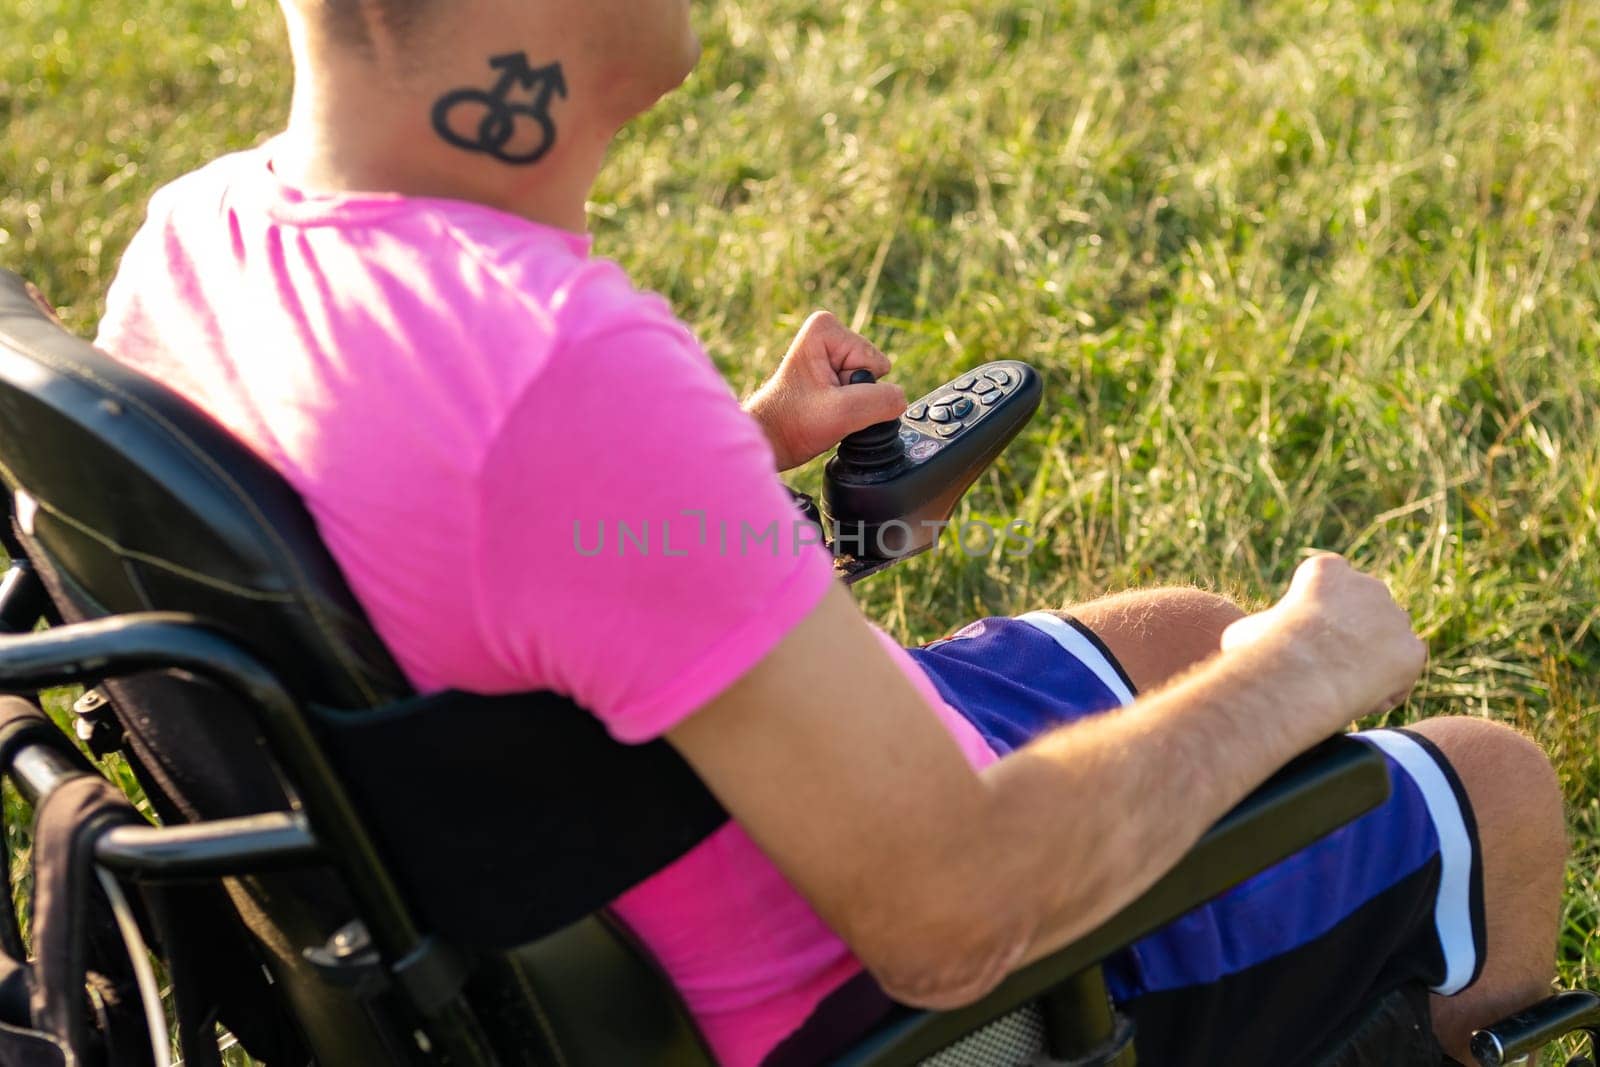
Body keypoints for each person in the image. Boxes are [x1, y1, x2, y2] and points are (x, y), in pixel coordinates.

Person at [92, 2, 1567, 1064]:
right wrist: (1314, 664)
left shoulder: (198, 242)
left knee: (1181, 633)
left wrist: (732, 460)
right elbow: (953, 922)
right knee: (1492, 789)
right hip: (873, 1001)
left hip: (587, 871)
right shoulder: (560, 371)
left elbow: (431, 525)